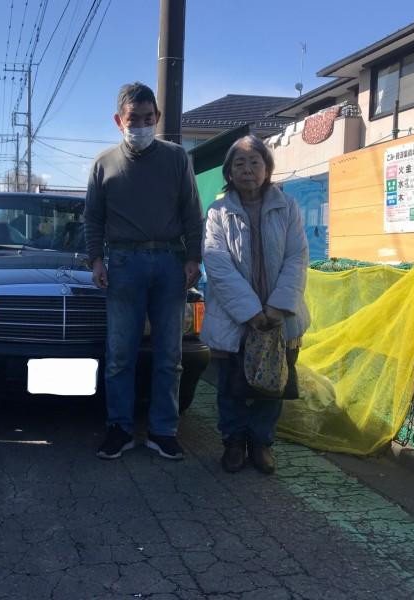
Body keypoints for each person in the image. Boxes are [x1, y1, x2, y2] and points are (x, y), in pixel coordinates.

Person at [84, 82, 203, 460]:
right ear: (119, 120)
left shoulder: (177, 158)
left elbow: (191, 212)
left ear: (158, 118)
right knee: (120, 353)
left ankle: (162, 430)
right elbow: (93, 219)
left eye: (148, 118)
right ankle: (119, 427)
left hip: (170, 263)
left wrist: (193, 258)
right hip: (121, 263)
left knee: (170, 354)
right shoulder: (104, 164)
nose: (140, 125)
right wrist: (96, 261)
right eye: (133, 119)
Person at [200, 135, 310, 474]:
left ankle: (261, 443)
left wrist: (276, 308)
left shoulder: (287, 206)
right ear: (229, 173)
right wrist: (251, 312)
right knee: (231, 385)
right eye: (239, 164)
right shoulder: (218, 211)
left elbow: (297, 257)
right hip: (235, 317)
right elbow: (216, 263)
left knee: (272, 384)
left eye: (255, 162)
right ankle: (234, 442)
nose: (248, 170)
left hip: (280, 317)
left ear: (267, 168)